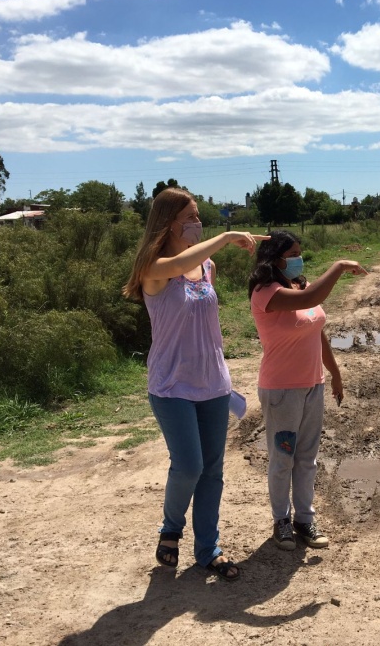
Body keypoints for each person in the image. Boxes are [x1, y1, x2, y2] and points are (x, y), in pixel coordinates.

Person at [123, 187, 266, 581]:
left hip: (213, 384)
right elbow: (177, 263)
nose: (199, 223)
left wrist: (214, 247)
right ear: (169, 223)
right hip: (171, 385)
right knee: (188, 466)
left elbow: (200, 283)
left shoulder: (206, 269)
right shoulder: (153, 268)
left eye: (199, 216)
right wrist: (223, 238)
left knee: (213, 471)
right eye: (191, 217)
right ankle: (171, 529)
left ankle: (208, 549)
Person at [248, 230, 367, 550]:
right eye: (294, 254)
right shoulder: (266, 293)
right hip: (282, 392)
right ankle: (281, 521)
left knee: (307, 459)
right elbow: (310, 300)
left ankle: (304, 519)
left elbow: (317, 332)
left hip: (312, 386)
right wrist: (340, 266)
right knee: (282, 459)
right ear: (275, 259)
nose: (300, 259)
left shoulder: (299, 285)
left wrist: (335, 373)